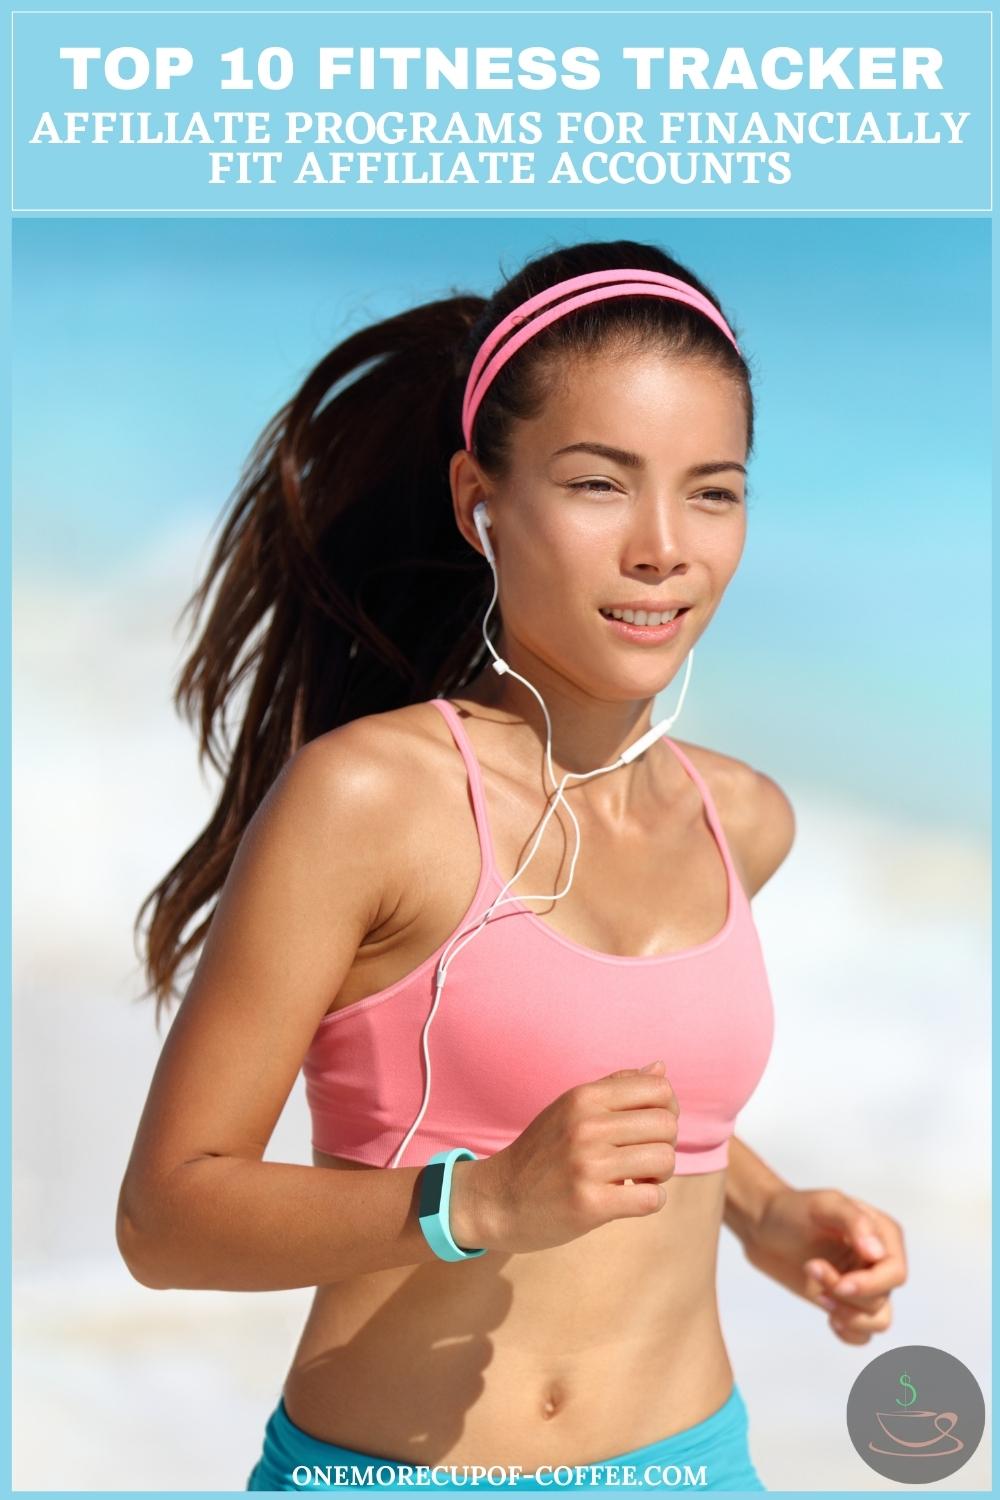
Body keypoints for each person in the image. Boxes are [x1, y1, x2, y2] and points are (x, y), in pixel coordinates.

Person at [116, 239, 908, 1491]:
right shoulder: (367, 800)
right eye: (600, 484)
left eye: (713, 491)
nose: (664, 547)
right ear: (478, 502)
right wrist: (470, 1205)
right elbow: (165, 1218)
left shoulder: (741, 817)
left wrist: (768, 1214)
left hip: (696, 1465)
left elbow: (628, 1094)